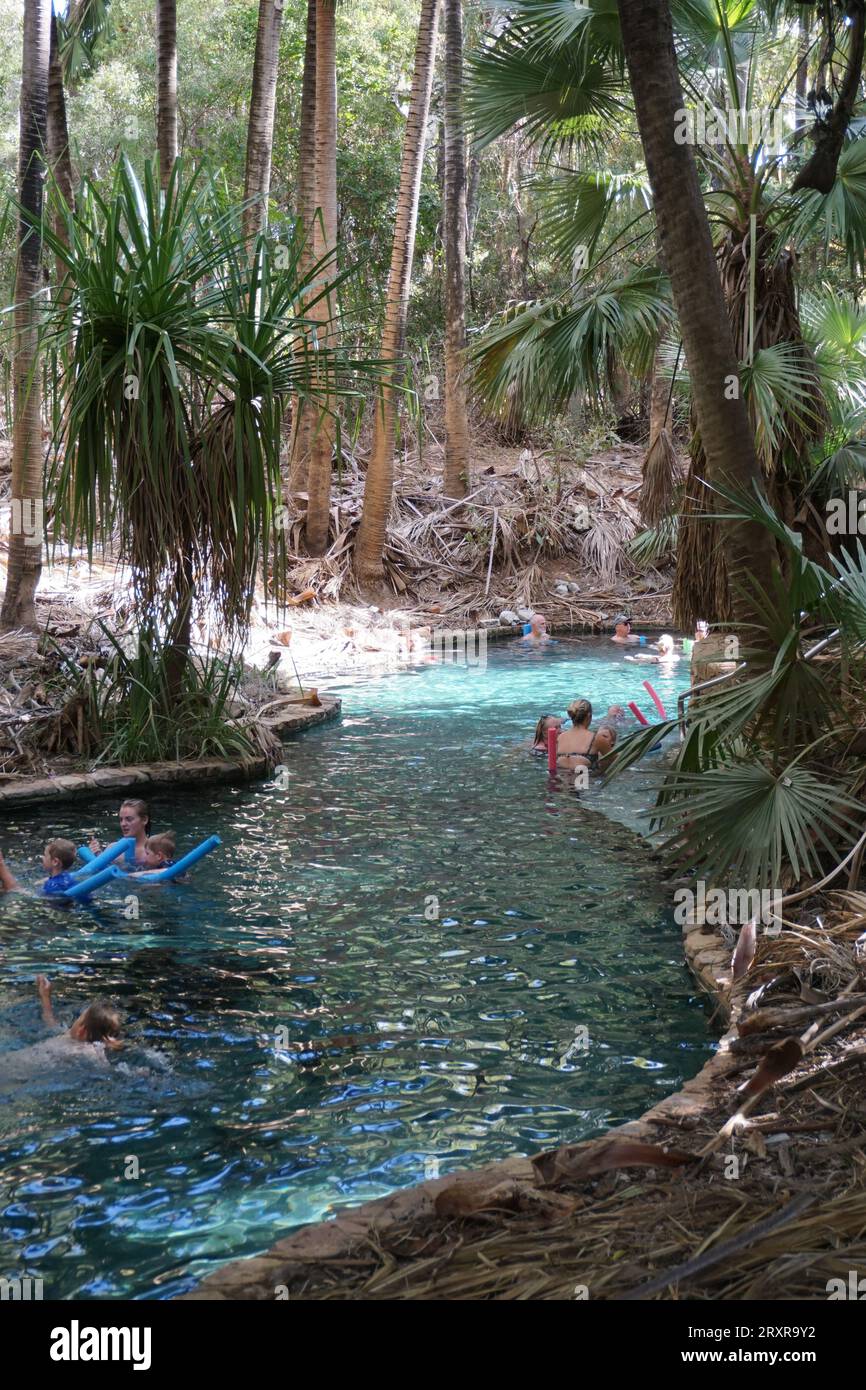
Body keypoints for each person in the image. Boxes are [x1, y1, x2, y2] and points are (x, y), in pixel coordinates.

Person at [0, 976, 122, 1086]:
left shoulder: (83, 1050)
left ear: (81, 1030)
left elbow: (107, 1069)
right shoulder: (71, 1036)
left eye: (80, 1017)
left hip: (14, 1070)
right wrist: (45, 996)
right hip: (18, 1069)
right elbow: (49, 1019)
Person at [0, 839, 78, 896]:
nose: (42, 858)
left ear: (55, 862)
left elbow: (32, 896)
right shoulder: (67, 877)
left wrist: (16, 889)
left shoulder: (51, 886)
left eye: (45, 855)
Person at [555, 699, 615, 772]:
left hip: (562, 782)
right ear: (589, 716)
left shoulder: (559, 738)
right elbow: (614, 760)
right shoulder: (596, 738)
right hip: (587, 782)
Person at [89, 799, 152, 867]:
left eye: (129, 819)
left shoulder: (154, 850)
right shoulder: (112, 848)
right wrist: (98, 854)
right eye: (121, 820)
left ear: (144, 820)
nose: (123, 824)